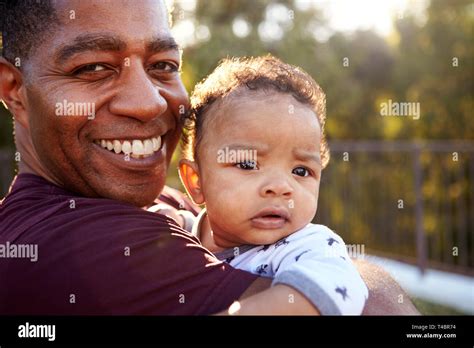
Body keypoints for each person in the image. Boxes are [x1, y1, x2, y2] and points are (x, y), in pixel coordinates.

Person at [0, 0, 419, 315]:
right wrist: (332, 260)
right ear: (15, 90)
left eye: (162, 64)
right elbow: (378, 307)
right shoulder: (72, 246)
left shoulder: (175, 208)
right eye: (93, 68)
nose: (148, 103)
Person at [179, 56, 368, 315]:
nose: (280, 187)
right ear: (195, 181)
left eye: (301, 171)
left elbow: (321, 296)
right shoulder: (178, 232)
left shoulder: (310, 246)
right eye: (247, 165)